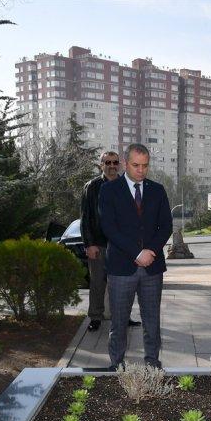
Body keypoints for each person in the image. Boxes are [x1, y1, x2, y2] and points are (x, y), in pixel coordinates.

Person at [99, 143, 172, 369]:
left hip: (152, 267)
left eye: (145, 166)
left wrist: (150, 252)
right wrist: (137, 253)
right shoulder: (109, 190)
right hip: (122, 267)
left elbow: (166, 226)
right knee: (119, 321)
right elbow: (109, 228)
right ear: (125, 163)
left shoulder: (157, 190)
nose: (141, 170)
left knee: (152, 319)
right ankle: (116, 363)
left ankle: (152, 361)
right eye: (136, 165)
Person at [80, 151, 140, 332]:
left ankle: (124, 316)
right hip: (99, 243)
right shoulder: (92, 186)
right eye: (108, 162)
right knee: (98, 283)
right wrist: (88, 244)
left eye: (115, 162)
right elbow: (86, 217)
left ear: (119, 165)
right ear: (101, 165)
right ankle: (96, 317)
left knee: (124, 283)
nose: (112, 165)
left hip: (122, 245)